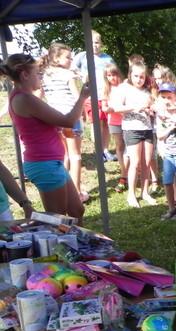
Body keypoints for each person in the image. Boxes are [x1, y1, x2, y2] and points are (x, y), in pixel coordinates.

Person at [1, 53, 90, 222]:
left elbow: (41, 125)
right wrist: (83, 97)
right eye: (37, 73)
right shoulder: (25, 99)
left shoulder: (22, 97)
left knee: (77, 210)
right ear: (25, 75)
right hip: (44, 164)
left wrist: (57, 129)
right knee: (57, 219)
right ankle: (59, 240)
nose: (40, 77)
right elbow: (68, 120)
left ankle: (74, 238)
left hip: (51, 162)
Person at [41, 43, 86, 202]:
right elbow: (77, 97)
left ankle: (64, 190)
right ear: (56, 58)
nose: (71, 60)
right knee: (75, 155)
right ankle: (77, 193)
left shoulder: (45, 75)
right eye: (68, 57)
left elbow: (43, 96)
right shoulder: (68, 75)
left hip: (54, 118)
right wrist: (83, 113)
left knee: (63, 155)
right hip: (70, 117)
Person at [110, 61, 155, 208]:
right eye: (136, 76)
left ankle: (145, 192)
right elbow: (116, 108)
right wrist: (135, 107)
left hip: (147, 128)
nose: (139, 79)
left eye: (142, 77)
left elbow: (150, 108)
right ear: (130, 75)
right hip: (131, 129)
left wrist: (149, 110)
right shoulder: (124, 88)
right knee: (134, 163)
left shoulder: (147, 90)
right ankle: (131, 195)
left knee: (146, 162)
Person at [72, 30, 115, 161]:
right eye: (91, 43)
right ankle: (99, 151)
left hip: (106, 96)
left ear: (101, 44)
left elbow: (114, 74)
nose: (94, 45)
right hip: (91, 96)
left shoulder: (107, 58)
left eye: (97, 42)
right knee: (95, 124)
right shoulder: (82, 56)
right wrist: (81, 75)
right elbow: (72, 69)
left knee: (106, 124)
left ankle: (105, 150)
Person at [155, 82, 176, 220]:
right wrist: (170, 127)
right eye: (163, 97)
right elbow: (159, 135)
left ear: (175, 97)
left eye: (169, 97)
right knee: (167, 181)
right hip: (168, 152)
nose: (166, 100)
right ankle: (171, 208)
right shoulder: (160, 115)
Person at [101, 64, 127, 194]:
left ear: (118, 74)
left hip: (127, 121)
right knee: (119, 146)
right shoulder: (106, 89)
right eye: (109, 75)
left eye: (114, 75)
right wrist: (109, 109)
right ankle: (124, 174)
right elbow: (104, 107)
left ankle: (133, 171)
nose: (112, 78)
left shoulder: (124, 87)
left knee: (130, 147)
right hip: (114, 122)